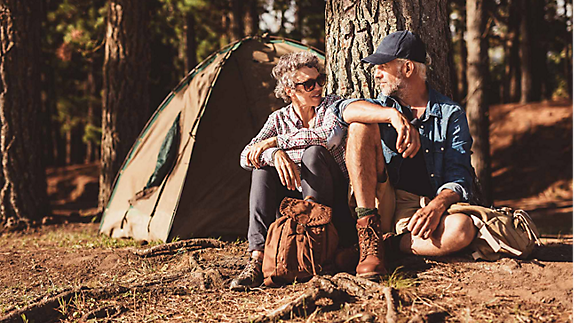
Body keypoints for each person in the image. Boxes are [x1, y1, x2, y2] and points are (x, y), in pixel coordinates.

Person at [333, 30, 478, 277]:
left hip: (420, 210)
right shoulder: (381, 107)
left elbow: (460, 176)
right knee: (359, 125)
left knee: (461, 229)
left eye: (383, 67)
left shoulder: (450, 114)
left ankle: (386, 246)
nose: (376, 74)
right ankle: (369, 237)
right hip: (380, 201)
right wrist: (393, 117)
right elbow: (342, 110)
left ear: (408, 68)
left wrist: (436, 206)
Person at [230, 51, 358, 291]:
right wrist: (274, 155)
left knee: (313, 153)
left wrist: (276, 143)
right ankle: (257, 260)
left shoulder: (331, 106)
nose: (318, 87)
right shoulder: (278, 118)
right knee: (262, 168)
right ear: (290, 91)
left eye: (320, 80)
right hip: (294, 207)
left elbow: (328, 138)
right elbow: (246, 156)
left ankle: (317, 251)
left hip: (333, 206)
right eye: (308, 84)